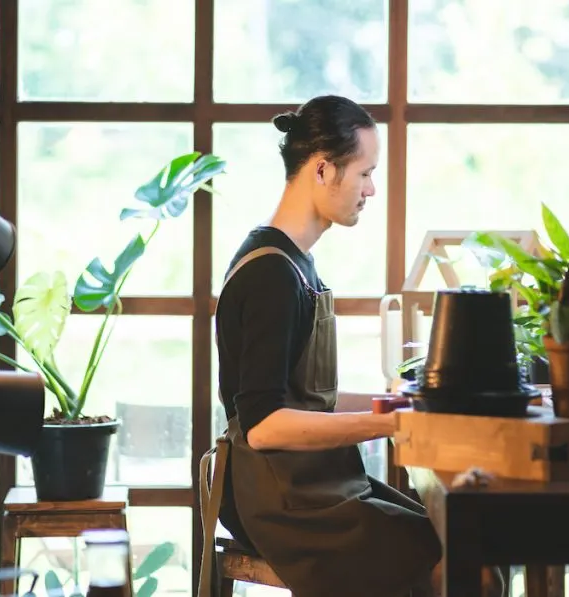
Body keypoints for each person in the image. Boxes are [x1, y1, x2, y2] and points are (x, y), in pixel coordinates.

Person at [200, 95, 495, 597]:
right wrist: (389, 424)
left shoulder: (293, 262)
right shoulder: (272, 272)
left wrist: (403, 404)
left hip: (311, 484)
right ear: (322, 170)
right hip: (281, 498)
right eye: (364, 173)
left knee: (466, 544)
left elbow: (308, 400)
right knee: (471, 570)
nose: (371, 189)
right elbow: (266, 426)